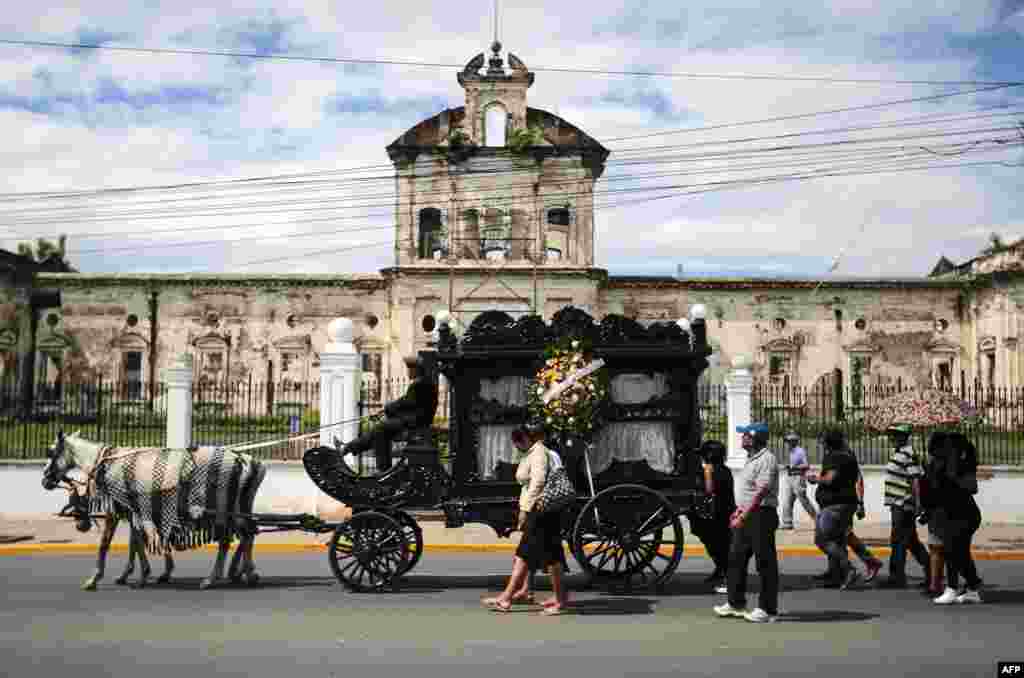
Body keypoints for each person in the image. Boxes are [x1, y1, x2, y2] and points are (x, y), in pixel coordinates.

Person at [483, 423, 570, 615]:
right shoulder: (535, 452)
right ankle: (557, 598)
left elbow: (538, 482)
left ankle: (507, 598)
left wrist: (525, 510)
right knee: (550, 556)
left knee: (524, 554)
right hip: (543, 510)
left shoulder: (538, 452)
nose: (516, 446)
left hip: (539, 510)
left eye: (518, 442)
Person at [714, 422, 780, 623]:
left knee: (765, 563)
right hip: (747, 515)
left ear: (755, 438)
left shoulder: (766, 459)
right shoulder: (751, 459)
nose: (742, 438)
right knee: (736, 559)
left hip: (761, 515)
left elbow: (761, 492)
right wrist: (739, 511)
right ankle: (735, 603)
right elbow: (748, 491)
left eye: (745, 435)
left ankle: (767, 609)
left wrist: (744, 514)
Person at [342, 356, 438, 472]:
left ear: (415, 370)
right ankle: (349, 448)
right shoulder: (423, 382)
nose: (408, 373)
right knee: (378, 432)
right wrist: (385, 411)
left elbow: (407, 402)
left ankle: (381, 468)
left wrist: (387, 409)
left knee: (380, 429)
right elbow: (405, 402)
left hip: (415, 422)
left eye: (409, 370)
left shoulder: (420, 384)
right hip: (414, 420)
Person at [928, 432, 984, 605]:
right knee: (956, 553)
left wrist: (954, 478)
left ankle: (969, 585)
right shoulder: (939, 463)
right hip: (949, 515)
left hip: (964, 516)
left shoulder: (963, 464)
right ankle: (963, 589)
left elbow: (972, 487)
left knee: (954, 553)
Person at [808, 429, 863, 590]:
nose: (822, 444)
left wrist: (816, 478)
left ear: (828, 443)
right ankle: (836, 575)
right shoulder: (848, 456)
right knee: (837, 539)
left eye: (824, 441)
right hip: (845, 503)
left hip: (835, 506)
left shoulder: (834, 457)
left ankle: (849, 569)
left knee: (822, 540)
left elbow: (830, 478)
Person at [880, 423, 930, 588]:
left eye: (895, 435)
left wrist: (918, 504)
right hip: (897, 503)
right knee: (910, 541)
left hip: (904, 504)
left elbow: (915, 479)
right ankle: (931, 568)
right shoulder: (900, 453)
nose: (891, 438)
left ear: (903, 436)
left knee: (898, 540)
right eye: (891, 435)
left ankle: (897, 577)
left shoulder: (908, 454)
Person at [688, 440, 735, 593]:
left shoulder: (716, 471)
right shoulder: (723, 470)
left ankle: (729, 578)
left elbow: (709, 490)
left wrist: (706, 472)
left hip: (720, 515)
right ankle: (720, 570)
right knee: (713, 543)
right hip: (716, 513)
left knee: (720, 545)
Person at [780, 431, 816, 530]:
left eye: (788, 441)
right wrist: (788, 467)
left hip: (798, 478)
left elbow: (806, 465)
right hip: (790, 477)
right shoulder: (791, 452)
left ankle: (817, 520)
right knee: (787, 500)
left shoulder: (800, 451)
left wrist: (793, 467)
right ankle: (787, 523)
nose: (786, 443)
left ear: (794, 442)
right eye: (786, 441)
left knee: (804, 501)